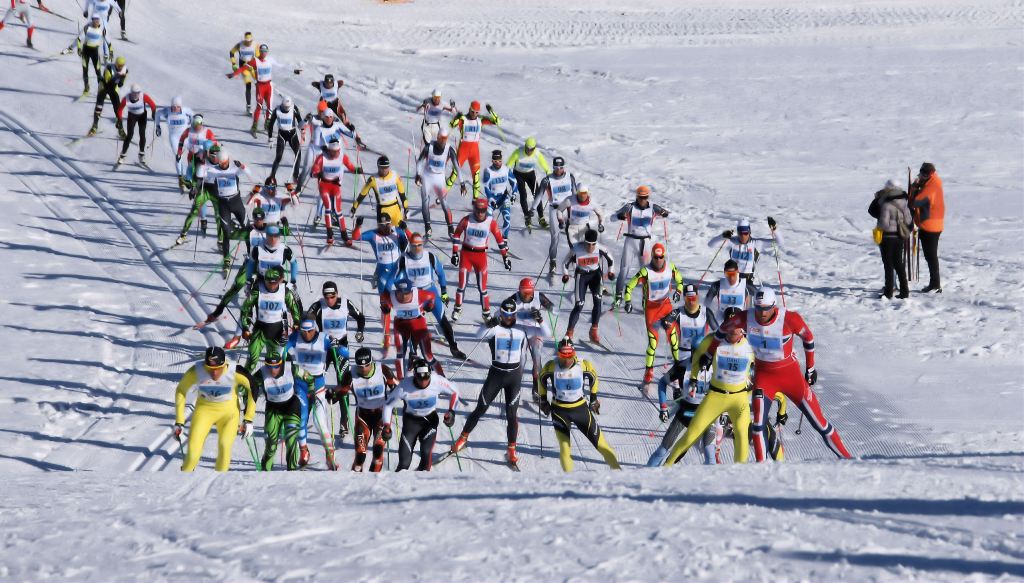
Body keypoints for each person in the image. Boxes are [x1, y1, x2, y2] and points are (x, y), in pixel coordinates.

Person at [718, 288, 853, 461]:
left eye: (766, 308)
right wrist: (709, 352)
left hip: (791, 377)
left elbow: (808, 338)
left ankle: (848, 459)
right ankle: (762, 468)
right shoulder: (746, 317)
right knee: (758, 425)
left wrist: (810, 369)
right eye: (758, 308)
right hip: (765, 378)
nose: (762, 313)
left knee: (819, 423)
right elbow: (722, 330)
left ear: (774, 306)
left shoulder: (790, 318)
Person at [664, 320, 755, 465]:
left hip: (739, 398)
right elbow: (696, 359)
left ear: (742, 330)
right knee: (691, 434)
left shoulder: (751, 345)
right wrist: (694, 378)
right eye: (729, 328)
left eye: (735, 329)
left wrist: (754, 384)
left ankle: (740, 473)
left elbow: (762, 367)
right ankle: (667, 465)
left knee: (742, 434)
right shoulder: (713, 340)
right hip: (715, 396)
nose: (731, 332)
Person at [645, 299, 724, 467]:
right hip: (685, 412)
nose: (702, 356)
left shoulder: (716, 366)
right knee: (662, 450)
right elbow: (662, 383)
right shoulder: (682, 366)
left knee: (710, 456)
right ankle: (644, 476)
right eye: (698, 352)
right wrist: (663, 407)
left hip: (707, 412)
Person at [450, 299, 529, 465]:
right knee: (481, 408)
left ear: (515, 315)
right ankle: (463, 438)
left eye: (511, 315)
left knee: (511, 414)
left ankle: (511, 449)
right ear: (501, 314)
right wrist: (487, 325)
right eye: (505, 315)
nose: (508, 318)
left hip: (514, 376)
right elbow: (478, 335)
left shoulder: (521, 329)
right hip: (496, 374)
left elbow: (538, 338)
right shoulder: (495, 329)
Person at [537, 338, 621, 472]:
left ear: (574, 353)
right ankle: (570, 480)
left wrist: (593, 398)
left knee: (602, 445)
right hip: (559, 412)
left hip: (580, 410)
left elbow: (594, 378)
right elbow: (541, 380)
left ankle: (619, 473)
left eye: (569, 356)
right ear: (558, 354)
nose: (566, 360)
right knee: (565, 449)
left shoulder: (583, 365)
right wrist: (543, 399)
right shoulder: (551, 366)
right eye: (563, 356)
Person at [172, 347, 255, 472]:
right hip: (204, 412)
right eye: (210, 368)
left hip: (229, 414)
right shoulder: (197, 371)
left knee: (225, 446)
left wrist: (248, 419)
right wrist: (179, 421)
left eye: (218, 368)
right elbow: (181, 390)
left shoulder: (235, 371)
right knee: (192, 455)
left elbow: (253, 387)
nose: (214, 373)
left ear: (224, 364)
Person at [381, 358, 460, 471]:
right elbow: (388, 405)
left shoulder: (437, 381)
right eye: (420, 379)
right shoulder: (405, 386)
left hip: (429, 421)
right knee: (404, 463)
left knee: (426, 454)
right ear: (414, 375)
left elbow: (455, 391)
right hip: (411, 423)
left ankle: (423, 479)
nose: (423, 382)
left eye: (426, 378)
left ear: (430, 374)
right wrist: (386, 425)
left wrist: (451, 411)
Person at [396, 232, 465, 358]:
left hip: (430, 292)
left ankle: (454, 348)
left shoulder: (430, 256)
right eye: (414, 246)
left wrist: (444, 293)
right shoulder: (403, 259)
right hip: (415, 295)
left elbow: (441, 274)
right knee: (414, 324)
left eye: (419, 245)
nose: (417, 248)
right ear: (410, 246)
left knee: (443, 320)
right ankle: (413, 354)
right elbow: (397, 280)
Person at [623, 242, 684, 383]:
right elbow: (629, 286)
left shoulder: (670, 267)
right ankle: (648, 371)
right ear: (652, 257)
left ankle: (678, 367)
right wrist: (627, 301)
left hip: (666, 306)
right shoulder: (646, 271)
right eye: (656, 257)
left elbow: (680, 280)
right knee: (653, 343)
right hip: (651, 309)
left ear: (664, 256)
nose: (658, 260)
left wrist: (678, 291)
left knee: (674, 340)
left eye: (661, 257)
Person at [311, 280, 365, 437]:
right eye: (326, 296)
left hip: (341, 348)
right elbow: (306, 319)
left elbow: (360, 317)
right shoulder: (319, 305)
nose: (329, 300)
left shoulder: (345, 304)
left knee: (343, 382)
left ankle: (344, 422)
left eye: (332, 296)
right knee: (316, 379)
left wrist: (360, 332)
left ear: (337, 294)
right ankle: (316, 416)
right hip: (325, 347)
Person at [334, 347, 399, 472]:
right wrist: (332, 395)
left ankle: (374, 478)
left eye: (367, 365)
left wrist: (397, 396)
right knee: (360, 455)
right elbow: (340, 392)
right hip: (363, 417)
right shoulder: (350, 375)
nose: (363, 369)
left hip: (381, 417)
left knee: (378, 450)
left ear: (371, 362)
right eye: (360, 366)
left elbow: (399, 388)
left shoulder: (383, 370)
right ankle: (354, 478)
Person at [351, 213, 409, 350]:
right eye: (382, 225)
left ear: (390, 223)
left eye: (387, 224)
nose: (385, 227)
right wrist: (358, 225)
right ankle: (387, 335)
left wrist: (405, 229)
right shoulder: (373, 235)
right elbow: (355, 237)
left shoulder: (396, 231)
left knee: (406, 298)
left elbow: (411, 240)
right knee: (385, 305)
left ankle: (409, 325)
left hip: (398, 269)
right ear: (378, 225)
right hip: (384, 272)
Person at [285, 316, 337, 469]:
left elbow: (341, 351)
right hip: (300, 385)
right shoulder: (295, 337)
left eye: (309, 331)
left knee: (319, 421)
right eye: (304, 331)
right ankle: (304, 451)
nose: (306, 334)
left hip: (317, 384)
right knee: (301, 418)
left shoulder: (324, 338)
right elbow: (281, 350)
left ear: (315, 328)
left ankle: (330, 454)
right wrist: (281, 346)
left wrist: (337, 346)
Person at [451, 196, 512, 321]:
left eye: (483, 210)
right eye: (477, 210)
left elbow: (500, 240)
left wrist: (505, 257)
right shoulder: (467, 220)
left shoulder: (491, 222)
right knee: (462, 285)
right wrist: (455, 253)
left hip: (481, 256)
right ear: (474, 209)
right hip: (466, 255)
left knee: (482, 288)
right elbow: (456, 235)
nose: (480, 213)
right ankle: (457, 308)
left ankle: (486, 313)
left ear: (486, 210)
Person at [232, 266, 302, 372]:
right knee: (252, 361)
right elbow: (245, 309)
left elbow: (294, 308)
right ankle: (245, 380)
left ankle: (269, 381)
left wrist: (296, 322)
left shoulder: (284, 291)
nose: (271, 286)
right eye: (269, 283)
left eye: (274, 283)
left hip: (277, 331)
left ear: (280, 281)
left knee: (275, 364)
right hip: (260, 330)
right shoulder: (257, 290)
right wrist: (245, 328)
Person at [228, 43, 302, 135]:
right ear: (259, 51)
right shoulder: (255, 61)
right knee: (259, 106)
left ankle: (267, 124)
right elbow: (244, 68)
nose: (264, 53)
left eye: (265, 51)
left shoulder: (270, 60)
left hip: (268, 86)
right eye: (262, 51)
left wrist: (294, 70)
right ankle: (254, 126)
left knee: (269, 107)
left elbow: (281, 65)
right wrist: (233, 74)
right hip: (260, 86)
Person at [612, 185, 669, 304]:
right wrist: (619, 216)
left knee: (646, 272)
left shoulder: (653, 207)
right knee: (624, 269)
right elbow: (612, 218)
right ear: (637, 197)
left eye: (645, 197)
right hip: (631, 241)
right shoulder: (630, 207)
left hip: (645, 243)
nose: (643, 200)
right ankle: (618, 297)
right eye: (641, 197)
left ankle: (646, 299)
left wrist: (664, 213)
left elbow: (667, 213)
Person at [503, 277, 554, 401]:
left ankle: (537, 385)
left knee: (537, 355)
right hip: (520, 331)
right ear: (519, 290)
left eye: (529, 292)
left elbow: (555, 309)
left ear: (532, 291)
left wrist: (548, 308)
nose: (526, 295)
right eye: (523, 292)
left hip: (535, 331)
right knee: (520, 359)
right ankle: (516, 385)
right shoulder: (514, 298)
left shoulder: (538, 296)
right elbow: (502, 311)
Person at [205, 149, 255, 273]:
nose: (223, 165)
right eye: (221, 163)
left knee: (248, 228)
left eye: (225, 162)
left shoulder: (234, 169)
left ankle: (251, 255)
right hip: (223, 204)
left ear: (228, 160)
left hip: (236, 202)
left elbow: (249, 173)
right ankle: (226, 259)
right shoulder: (213, 170)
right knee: (226, 232)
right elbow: (203, 177)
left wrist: (242, 166)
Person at [251, 350, 301, 471]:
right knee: (271, 443)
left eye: (276, 366)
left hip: (291, 407)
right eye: (270, 366)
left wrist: (311, 393)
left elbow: (309, 378)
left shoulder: (291, 368)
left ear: (281, 363)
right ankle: (265, 471)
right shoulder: (261, 373)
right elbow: (249, 385)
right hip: (273, 409)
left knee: (291, 441)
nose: (273, 370)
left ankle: (292, 472)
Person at [561, 228, 615, 342]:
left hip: (596, 275)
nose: (591, 247)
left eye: (593, 244)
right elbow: (565, 263)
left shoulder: (600, 248)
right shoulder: (576, 249)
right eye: (588, 244)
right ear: (584, 242)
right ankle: (569, 332)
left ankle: (594, 330)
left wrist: (610, 272)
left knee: (598, 301)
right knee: (579, 305)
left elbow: (611, 260)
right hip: (582, 276)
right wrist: (565, 275)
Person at [387, 278, 444, 379]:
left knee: (428, 356)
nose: (404, 296)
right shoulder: (391, 296)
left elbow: (432, 296)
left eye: (406, 293)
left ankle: (443, 378)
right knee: (400, 354)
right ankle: (401, 381)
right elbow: (383, 298)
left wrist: (430, 305)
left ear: (411, 291)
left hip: (418, 323)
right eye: (400, 293)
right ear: (396, 291)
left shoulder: (419, 294)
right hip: (401, 325)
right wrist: (384, 307)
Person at [532, 156, 578, 277]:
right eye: (556, 168)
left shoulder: (570, 177)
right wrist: (532, 209)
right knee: (555, 237)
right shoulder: (547, 180)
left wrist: (580, 207)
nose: (558, 170)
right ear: (553, 167)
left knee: (572, 237)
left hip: (568, 208)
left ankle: (575, 261)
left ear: (564, 167)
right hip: (555, 208)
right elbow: (539, 195)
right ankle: (553, 263)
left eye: (561, 167)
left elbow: (575, 193)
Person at [414, 126, 463, 238]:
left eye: (445, 139)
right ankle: (428, 227)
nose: (443, 141)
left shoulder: (449, 149)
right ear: (437, 137)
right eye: (441, 138)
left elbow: (457, 167)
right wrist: (418, 174)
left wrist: (462, 183)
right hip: (427, 175)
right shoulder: (429, 146)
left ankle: (450, 228)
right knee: (425, 201)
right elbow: (420, 161)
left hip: (440, 177)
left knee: (444, 202)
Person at [308, 137, 358, 246]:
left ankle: (344, 236)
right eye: (333, 152)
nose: (335, 154)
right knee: (328, 208)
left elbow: (351, 167)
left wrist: (357, 170)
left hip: (335, 185)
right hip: (324, 185)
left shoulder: (342, 156)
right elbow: (312, 173)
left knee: (338, 211)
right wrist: (317, 173)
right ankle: (330, 235)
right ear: (329, 150)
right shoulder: (322, 158)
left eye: (337, 151)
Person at [869, 178, 913, 299]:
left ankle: (888, 292)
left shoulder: (886, 203)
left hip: (887, 237)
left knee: (888, 265)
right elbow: (909, 221)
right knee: (899, 264)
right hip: (900, 236)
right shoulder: (904, 202)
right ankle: (905, 291)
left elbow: (883, 224)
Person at [448, 101, 501, 197]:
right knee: (454, 174)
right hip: (463, 151)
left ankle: (475, 201)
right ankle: (443, 193)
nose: (474, 114)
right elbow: (451, 125)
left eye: (477, 112)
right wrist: (456, 118)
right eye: (472, 111)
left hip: (474, 153)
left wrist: (491, 111)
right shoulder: (463, 119)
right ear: (469, 109)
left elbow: (497, 121)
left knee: (476, 177)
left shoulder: (480, 120)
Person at [706, 217, 783, 283]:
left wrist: (775, 229)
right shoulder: (732, 242)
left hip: (748, 280)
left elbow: (779, 242)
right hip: (732, 278)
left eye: (745, 233)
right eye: (740, 233)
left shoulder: (757, 243)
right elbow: (711, 244)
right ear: (738, 233)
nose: (743, 236)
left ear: (749, 232)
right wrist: (722, 236)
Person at [909, 162, 944, 293]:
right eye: (922, 173)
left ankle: (935, 285)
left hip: (930, 225)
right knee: (931, 256)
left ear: (930, 174)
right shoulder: (934, 180)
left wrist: (914, 188)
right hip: (933, 223)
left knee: (931, 256)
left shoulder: (931, 187)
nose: (922, 175)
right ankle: (934, 283)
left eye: (924, 174)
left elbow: (915, 202)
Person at [506, 137, 551, 229]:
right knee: (523, 194)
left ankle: (541, 218)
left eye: (531, 149)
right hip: (518, 174)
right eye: (527, 149)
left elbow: (545, 165)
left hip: (530, 174)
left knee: (537, 195)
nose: (529, 151)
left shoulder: (537, 153)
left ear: (534, 148)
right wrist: (507, 174)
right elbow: (508, 165)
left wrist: (549, 174)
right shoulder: (518, 152)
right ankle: (527, 217)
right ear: (525, 146)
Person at [353, 155, 408, 227]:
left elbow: (402, 194)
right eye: (382, 168)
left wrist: (406, 208)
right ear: (378, 167)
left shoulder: (395, 176)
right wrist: (354, 208)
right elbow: (362, 194)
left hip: (395, 209)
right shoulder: (373, 179)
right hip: (382, 210)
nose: (384, 170)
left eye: (386, 167)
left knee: (400, 231)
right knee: (384, 232)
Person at [62, 14, 109, 95]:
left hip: (95, 52)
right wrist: (78, 48)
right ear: (92, 20)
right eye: (95, 20)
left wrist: (109, 51)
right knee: (85, 70)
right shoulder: (87, 27)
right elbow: (79, 39)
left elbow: (107, 40)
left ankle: (101, 89)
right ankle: (86, 87)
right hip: (86, 51)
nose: (96, 22)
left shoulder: (102, 28)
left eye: (97, 20)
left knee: (98, 71)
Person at [154, 96, 194, 190]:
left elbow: (194, 116)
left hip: (186, 137)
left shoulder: (185, 110)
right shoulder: (167, 111)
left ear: (181, 106)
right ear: (171, 106)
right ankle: (181, 178)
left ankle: (191, 176)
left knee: (193, 155)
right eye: (174, 106)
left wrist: (192, 124)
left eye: (178, 106)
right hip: (174, 138)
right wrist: (158, 126)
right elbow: (157, 114)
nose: (175, 108)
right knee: (178, 157)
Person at [704, 259, 757, 326]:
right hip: (721, 321)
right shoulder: (717, 286)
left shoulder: (746, 286)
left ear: (737, 272)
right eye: (728, 274)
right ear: (724, 273)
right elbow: (706, 304)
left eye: (733, 274)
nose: (731, 277)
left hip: (741, 321)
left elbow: (761, 299)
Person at [115, 84, 156, 166]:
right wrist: (119, 120)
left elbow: (153, 105)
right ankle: (122, 155)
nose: (136, 94)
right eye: (134, 93)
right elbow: (120, 109)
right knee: (129, 135)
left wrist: (153, 113)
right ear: (131, 92)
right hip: (132, 116)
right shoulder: (126, 98)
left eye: (137, 93)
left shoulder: (143, 96)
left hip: (142, 116)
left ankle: (141, 154)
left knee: (142, 134)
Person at [265, 95, 303, 185]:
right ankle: (272, 177)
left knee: (298, 154)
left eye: (287, 107)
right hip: (281, 135)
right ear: (282, 104)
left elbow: (300, 120)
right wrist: (270, 138)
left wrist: (303, 130)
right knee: (278, 157)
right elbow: (271, 124)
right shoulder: (277, 110)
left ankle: (295, 176)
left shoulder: (294, 108)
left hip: (292, 134)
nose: (286, 108)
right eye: (285, 107)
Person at [482, 149, 519, 238]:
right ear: (492, 161)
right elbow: (486, 187)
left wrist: (514, 194)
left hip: (503, 198)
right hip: (492, 198)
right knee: (487, 221)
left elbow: (514, 182)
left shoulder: (506, 169)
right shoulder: (488, 171)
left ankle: (504, 239)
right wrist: (491, 199)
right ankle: (484, 239)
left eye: (500, 161)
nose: (498, 163)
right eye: (495, 161)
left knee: (507, 218)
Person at [89, 54, 128, 137]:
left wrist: (122, 78)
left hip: (113, 89)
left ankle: (121, 129)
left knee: (118, 109)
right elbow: (108, 82)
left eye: (122, 65)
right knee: (99, 106)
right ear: (116, 64)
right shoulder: (109, 68)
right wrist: (118, 76)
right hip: (104, 87)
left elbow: (120, 85)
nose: (120, 67)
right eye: (119, 65)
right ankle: (94, 126)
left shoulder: (125, 70)